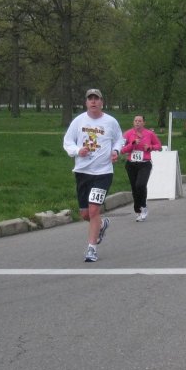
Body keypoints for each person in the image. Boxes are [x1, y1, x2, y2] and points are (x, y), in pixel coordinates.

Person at [62, 88, 124, 263]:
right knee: (85, 214)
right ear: (86, 102)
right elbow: (67, 142)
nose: (93, 102)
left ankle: (91, 249)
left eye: (96, 99)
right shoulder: (78, 121)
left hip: (103, 172)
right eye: (90, 99)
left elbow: (120, 139)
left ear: (102, 102)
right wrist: (77, 150)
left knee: (94, 209)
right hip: (82, 172)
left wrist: (116, 150)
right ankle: (102, 225)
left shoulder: (110, 122)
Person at [121, 114, 162, 222]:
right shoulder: (128, 134)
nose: (137, 122)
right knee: (134, 187)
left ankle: (143, 206)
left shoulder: (149, 134)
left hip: (145, 163)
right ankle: (138, 210)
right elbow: (122, 150)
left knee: (140, 184)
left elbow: (159, 146)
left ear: (144, 123)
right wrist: (132, 144)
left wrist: (150, 147)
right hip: (131, 164)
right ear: (133, 122)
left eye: (140, 121)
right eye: (135, 121)